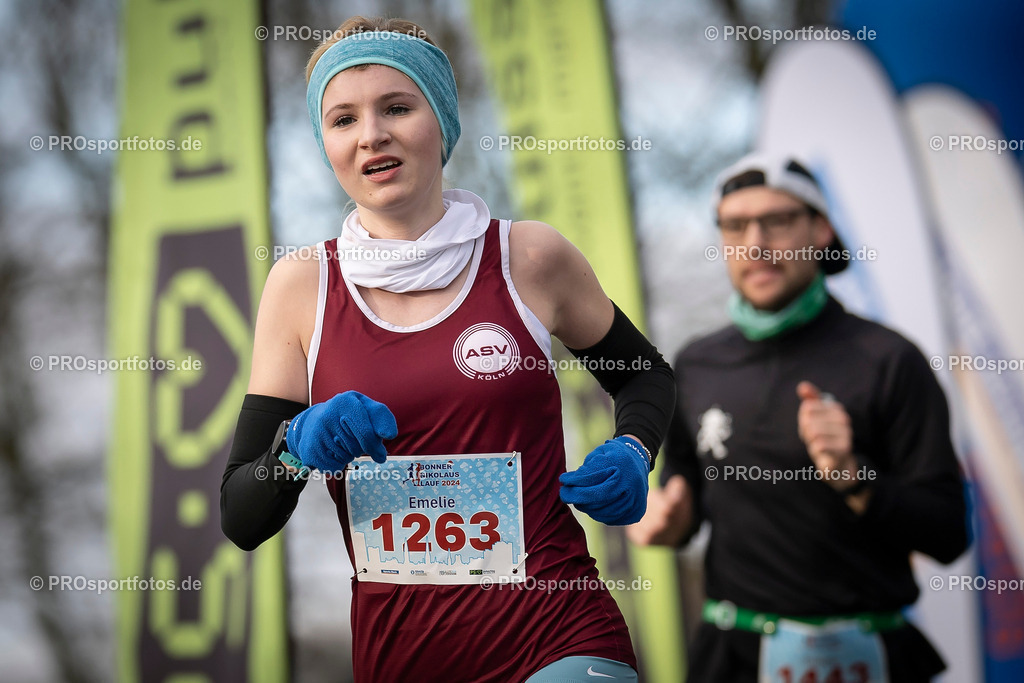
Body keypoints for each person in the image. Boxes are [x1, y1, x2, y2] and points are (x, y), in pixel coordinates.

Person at [219, 16, 675, 683]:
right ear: (326, 145)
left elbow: (645, 376)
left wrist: (633, 449)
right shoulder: (300, 286)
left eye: (396, 108)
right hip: (402, 658)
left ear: (442, 121)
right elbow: (241, 516)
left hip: (559, 635)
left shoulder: (529, 257)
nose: (371, 134)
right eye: (343, 119)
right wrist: (294, 447)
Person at [628, 153, 969, 682]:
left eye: (778, 220)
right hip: (731, 659)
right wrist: (669, 521)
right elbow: (685, 487)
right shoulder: (696, 363)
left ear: (821, 230)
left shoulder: (888, 359)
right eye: (735, 226)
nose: (756, 243)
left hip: (867, 657)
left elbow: (948, 535)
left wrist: (854, 477)